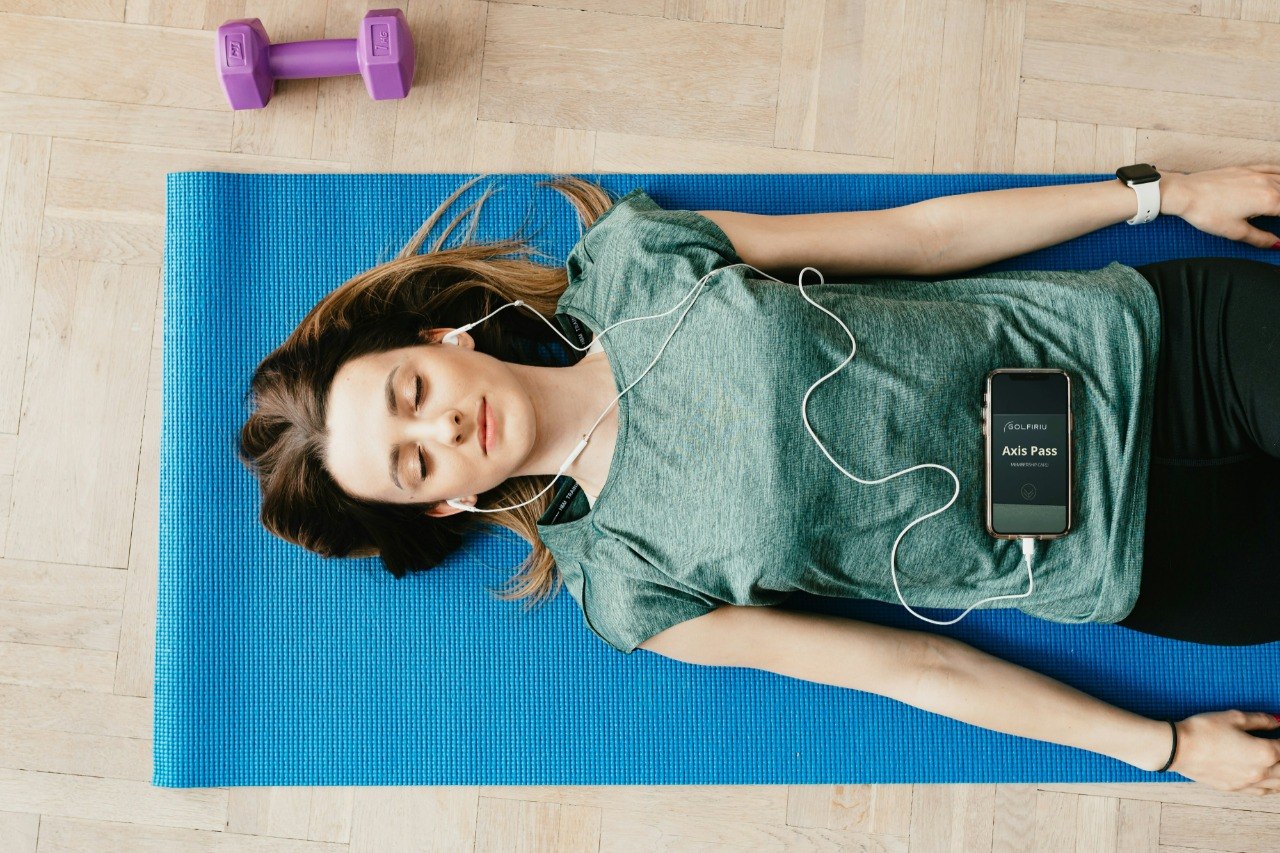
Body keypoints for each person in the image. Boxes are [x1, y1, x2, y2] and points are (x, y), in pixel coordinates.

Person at [238, 169, 1280, 795]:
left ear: (439, 339)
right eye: (414, 460)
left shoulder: (637, 259)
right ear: (441, 502)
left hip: (1161, 348)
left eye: (412, 391)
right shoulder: (630, 589)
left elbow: (915, 238)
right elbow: (911, 669)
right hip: (1150, 554)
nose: (442, 425)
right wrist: (1162, 747)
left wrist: (1161, 194)